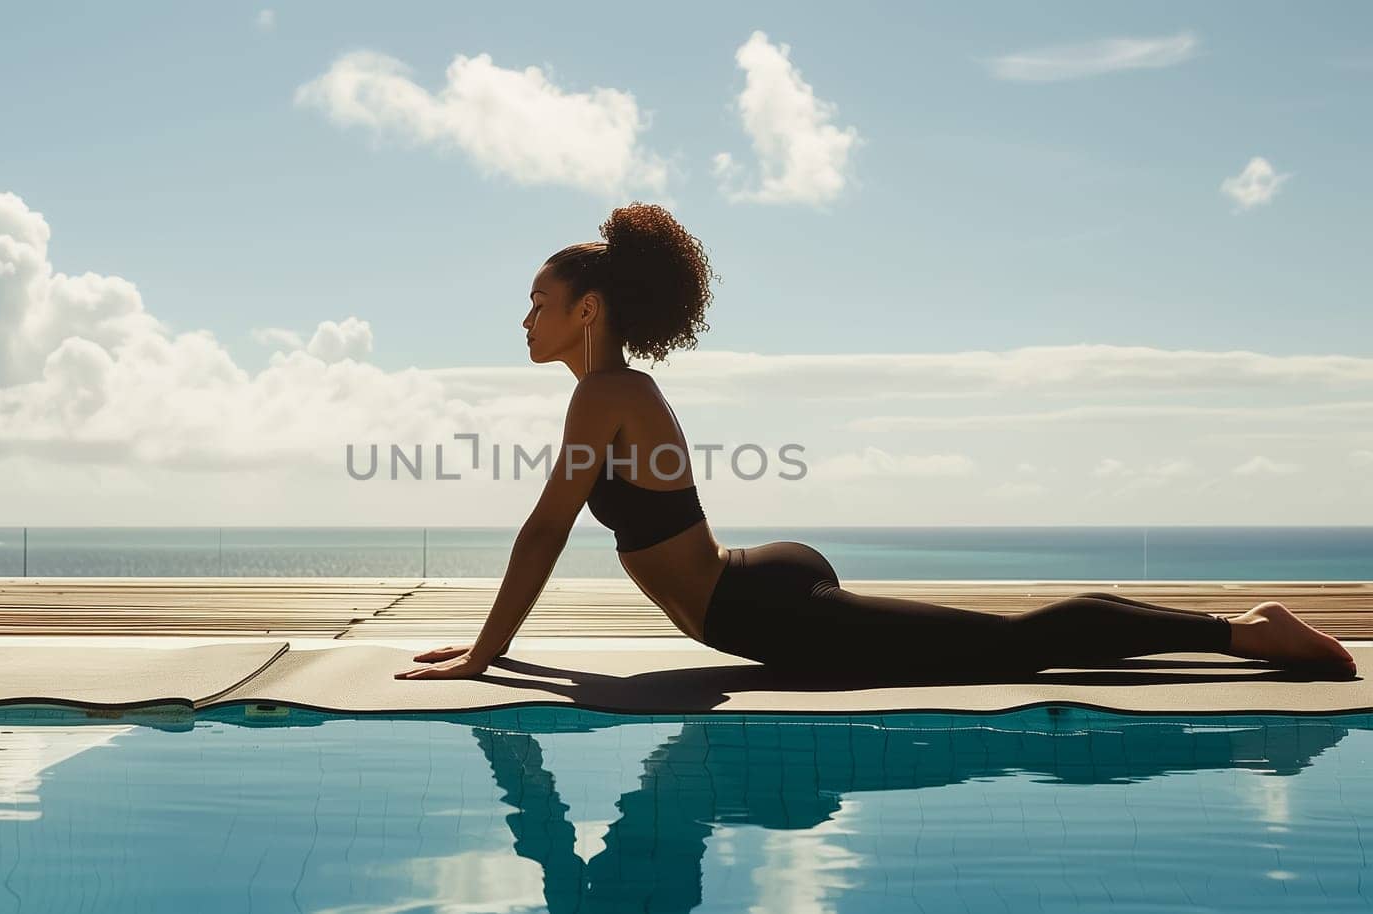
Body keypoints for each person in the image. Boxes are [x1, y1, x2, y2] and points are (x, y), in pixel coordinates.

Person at [395, 203, 1356, 681]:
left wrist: (486, 655)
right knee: (997, 646)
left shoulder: (607, 393)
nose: (524, 318)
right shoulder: (610, 392)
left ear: (589, 309)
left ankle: (1247, 632)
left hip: (759, 610)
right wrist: (507, 657)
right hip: (753, 587)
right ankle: (1236, 630)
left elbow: (545, 531)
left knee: (1010, 650)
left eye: (538, 302)